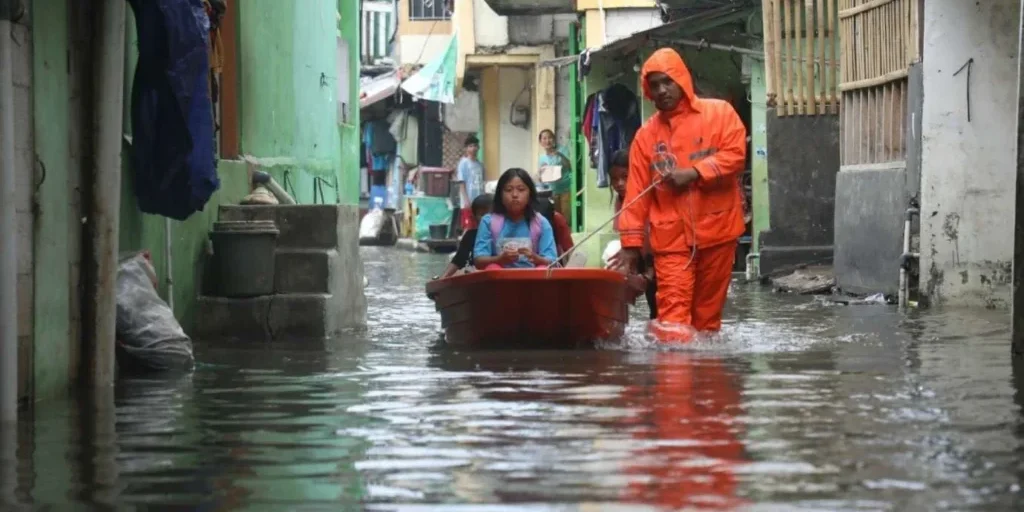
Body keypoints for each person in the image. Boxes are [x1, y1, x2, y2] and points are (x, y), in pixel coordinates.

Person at [615, 48, 747, 342]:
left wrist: (696, 172)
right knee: (673, 324)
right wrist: (630, 245)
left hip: (718, 233)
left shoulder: (720, 114)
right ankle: (675, 383)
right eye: (655, 85)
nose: (662, 90)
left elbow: (736, 155)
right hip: (671, 241)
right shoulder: (646, 137)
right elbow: (636, 195)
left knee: (707, 323)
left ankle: (705, 384)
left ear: (682, 80)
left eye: (667, 82)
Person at [608, 149, 657, 320]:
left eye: (625, 177)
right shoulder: (620, 201)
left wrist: (648, 275)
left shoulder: (647, 198)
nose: (619, 183)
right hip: (644, 260)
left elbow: (653, 240)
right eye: (614, 179)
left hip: (658, 260)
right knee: (654, 309)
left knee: (660, 308)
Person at [474, 168, 558, 269]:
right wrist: (499, 260)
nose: (514, 195)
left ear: (530, 194)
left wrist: (536, 258)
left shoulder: (541, 223)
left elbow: (553, 261)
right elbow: (478, 260)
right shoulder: (488, 222)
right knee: (492, 267)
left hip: (533, 281)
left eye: (521, 189)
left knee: (543, 269)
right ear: (500, 195)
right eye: (508, 190)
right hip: (499, 282)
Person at [436, 194, 493, 280]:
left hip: (493, 273)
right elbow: (458, 261)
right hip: (473, 275)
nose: (486, 219)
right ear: (474, 217)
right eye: (482, 215)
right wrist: (443, 278)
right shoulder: (470, 235)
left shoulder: (503, 235)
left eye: (491, 214)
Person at [537, 129, 573, 217]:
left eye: (550, 138)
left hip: (566, 190)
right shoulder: (542, 158)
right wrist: (540, 176)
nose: (547, 141)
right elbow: (542, 178)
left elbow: (570, 166)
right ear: (541, 142)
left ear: (553, 139)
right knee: (556, 217)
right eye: (544, 139)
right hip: (553, 192)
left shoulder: (562, 150)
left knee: (566, 217)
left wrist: (559, 154)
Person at [455, 135, 485, 233]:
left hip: (479, 203)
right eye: (470, 146)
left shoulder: (480, 165)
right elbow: (461, 183)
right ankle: (463, 247)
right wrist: (466, 200)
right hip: (468, 202)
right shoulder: (463, 164)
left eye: (475, 146)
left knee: (479, 228)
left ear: (478, 148)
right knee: (468, 228)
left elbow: (483, 182)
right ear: (466, 149)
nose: (473, 148)